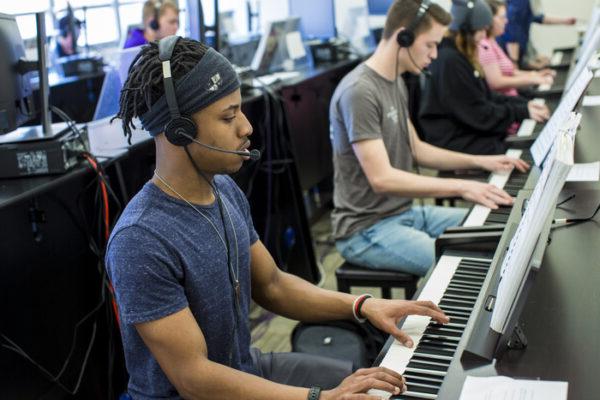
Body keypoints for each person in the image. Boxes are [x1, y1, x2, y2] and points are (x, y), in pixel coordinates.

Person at [107, 35, 451, 399]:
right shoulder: (141, 239)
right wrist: (320, 398)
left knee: (379, 384)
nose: (246, 127)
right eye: (228, 116)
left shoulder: (222, 189)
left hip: (245, 368)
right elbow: (195, 379)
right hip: (201, 393)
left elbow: (273, 284)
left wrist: (363, 306)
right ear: (180, 132)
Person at [330, 0, 529, 278]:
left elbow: (417, 149)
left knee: (500, 227)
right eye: (430, 45)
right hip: (366, 229)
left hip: (403, 213)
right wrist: (461, 186)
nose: (435, 54)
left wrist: (481, 161)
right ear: (404, 37)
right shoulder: (359, 91)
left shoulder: (394, 80)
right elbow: (382, 178)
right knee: (468, 268)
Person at [418, 0, 550, 155]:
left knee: (523, 143)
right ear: (467, 30)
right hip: (454, 140)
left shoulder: (459, 54)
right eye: (481, 30)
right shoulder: (450, 61)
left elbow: (484, 96)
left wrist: (524, 106)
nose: (483, 36)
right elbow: (477, 114)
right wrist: (519, 112)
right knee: (518, 150)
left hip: (466, 129)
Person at [479, 0, 555, 97]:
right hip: (509, 101)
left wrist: (535, 74)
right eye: (502, 17)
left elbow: (510, 72)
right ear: (489, 20)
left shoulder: (492, 42)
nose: (506, 21)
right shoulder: (484, 46)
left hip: (513, 97)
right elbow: (496, 82)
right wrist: (532, 79)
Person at [497, 0, 576, 68]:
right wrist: (515, 62)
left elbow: (538, 18)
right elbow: (511, 31)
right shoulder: (520, 2)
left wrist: (565, 21)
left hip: (517, 54)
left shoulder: (526, 4)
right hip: (510, 56)